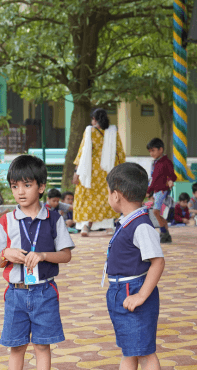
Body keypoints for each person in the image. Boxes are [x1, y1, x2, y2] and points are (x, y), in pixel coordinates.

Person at [0, 155, 74, 369]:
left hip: (45, 292)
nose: (20, 192)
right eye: (15, 186)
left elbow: (66, 255)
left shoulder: (54, 219)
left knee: (42, 346)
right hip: (15, 293)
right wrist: (6, 254)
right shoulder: (6, 221)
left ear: (41, 187)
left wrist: (43, 255)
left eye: (27, 185)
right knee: (17, 347)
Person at [105, 162, 165, 370]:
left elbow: (158, 261)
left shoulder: (141, 225)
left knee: (145, 353)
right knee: (130, 350)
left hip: (133, 291)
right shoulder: (128, 221)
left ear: (116, 194)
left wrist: (141, 295)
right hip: (121, 292)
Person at [72, 108, 126, 237]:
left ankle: (85, 226)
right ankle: (108, 227)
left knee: (86, 198)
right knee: (105, 198)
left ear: (95, 119)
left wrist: (77, 172)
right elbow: (120, 153)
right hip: (107, 172)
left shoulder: (89, 131)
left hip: (90, 172)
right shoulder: (113, 132)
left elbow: (82, 153)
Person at [146, 138, 177, 243]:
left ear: (161, 149)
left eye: (153, 150)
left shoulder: (166, 162)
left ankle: (163, 232)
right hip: (156, 191)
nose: (151, 153)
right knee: (159, 213)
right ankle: (166, 235)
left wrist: (170, 180)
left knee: (156, 211)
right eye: (150, 151)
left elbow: (172, 175)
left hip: (162, 191)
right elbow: (153, 179)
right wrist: (150, 190)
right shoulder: (155, 162)